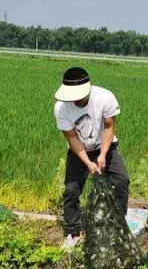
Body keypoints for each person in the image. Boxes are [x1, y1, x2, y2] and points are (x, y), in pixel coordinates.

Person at [53, 67, 130, 251]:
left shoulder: (104, 97)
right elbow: (72, 138)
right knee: (72, 190)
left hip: (105, 146)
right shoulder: (61, 108)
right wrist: (88, 163)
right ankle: (74, 232)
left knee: (121, 181)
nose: (76, 100)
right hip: (79, 150)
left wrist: (102, 155)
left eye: (79, 96)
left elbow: (110, 127)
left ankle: (116, 224)